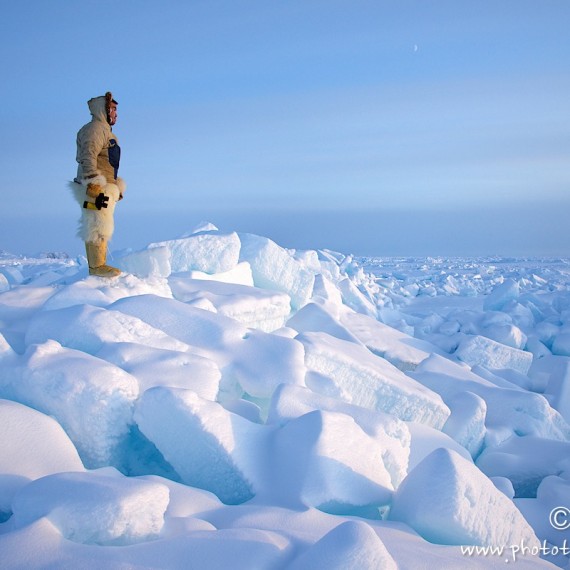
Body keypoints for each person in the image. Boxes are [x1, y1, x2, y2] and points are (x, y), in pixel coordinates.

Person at [70, 91, 126, 277]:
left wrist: (115, 186)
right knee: (96, 222)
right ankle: (96, 267)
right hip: (94, 187)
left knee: (102, 222)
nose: (116, 114)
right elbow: (88, 155)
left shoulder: (105, 131)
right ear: (104, 109)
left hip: (104, 185)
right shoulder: (94, 129)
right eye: (113, 109)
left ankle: (98, 264)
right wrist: (93, 182)